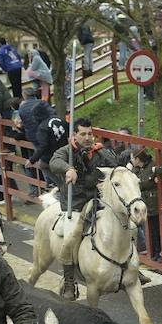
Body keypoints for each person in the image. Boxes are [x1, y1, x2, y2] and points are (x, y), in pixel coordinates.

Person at [49, 119, 120, 298]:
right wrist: (68, 169)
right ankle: (69, 281)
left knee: (124, 223)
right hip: (74, 204)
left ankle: (128, 267)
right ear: (74, 135)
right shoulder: (65, 151)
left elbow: (114, 166)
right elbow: (54, 162)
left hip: (97, 201)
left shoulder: (99, 151)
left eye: (90, 134)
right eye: (83, 134)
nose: (87, 138)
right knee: (70, 238)